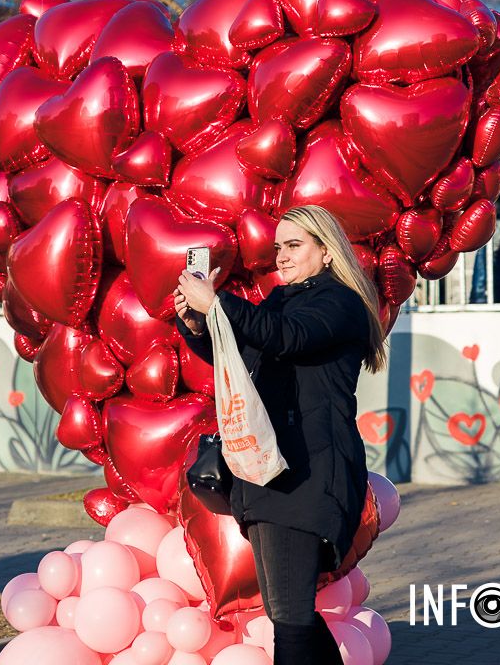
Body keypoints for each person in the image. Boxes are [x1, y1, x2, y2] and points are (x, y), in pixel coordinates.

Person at [172, 205, 387, 664]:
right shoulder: (281, 301)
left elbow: (287, 337)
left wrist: (219, 304)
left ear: (327, 252)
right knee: (288, 613)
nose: (282, 257)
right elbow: (243, 348)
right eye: (278, 248)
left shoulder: (339, 303)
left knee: (289, 617)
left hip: (308, 472)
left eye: (294, 245)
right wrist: (197, 324)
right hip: (270, 472)